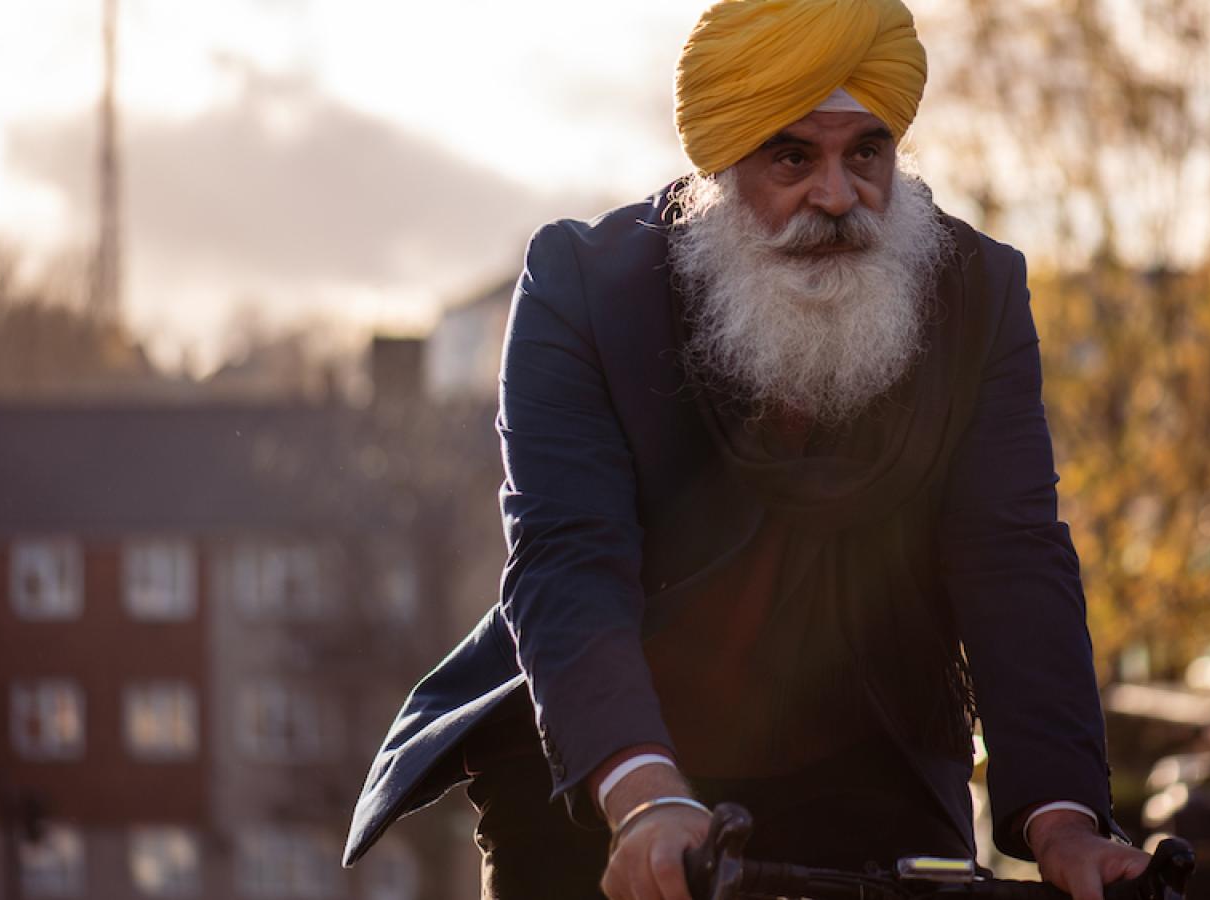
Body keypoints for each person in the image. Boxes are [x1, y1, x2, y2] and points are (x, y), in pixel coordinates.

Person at [344, 1, 1150, 898]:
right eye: (793, 156)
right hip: (608, 760)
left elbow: (1013, 560)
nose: (839, 198)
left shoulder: (981, 293)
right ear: (724, 165)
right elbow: (567, 558)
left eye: (867, 154)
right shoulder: (581, 289)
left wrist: (1069, 824)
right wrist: (645, 796)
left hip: (867, 754)